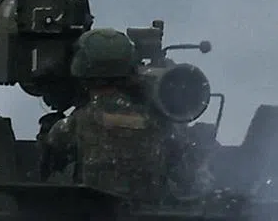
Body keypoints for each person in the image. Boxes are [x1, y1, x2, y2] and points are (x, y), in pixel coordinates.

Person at [42, 27, 206, 202]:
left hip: (91, 218)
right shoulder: (162, 125)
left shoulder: (72, 124)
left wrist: (45, 135)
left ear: (82, 71)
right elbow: (189, 179)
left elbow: (48, 172)